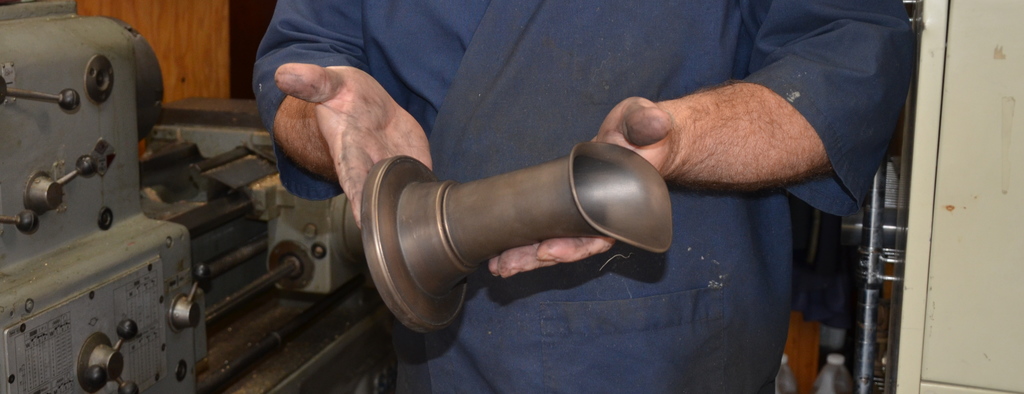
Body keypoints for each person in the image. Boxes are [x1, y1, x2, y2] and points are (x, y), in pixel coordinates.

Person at [253, 1, 914, 392]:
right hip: (437, 349)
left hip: (670, 353)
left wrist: (681, 141)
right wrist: (329, 121)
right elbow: (300, 61)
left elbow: (849, 59)